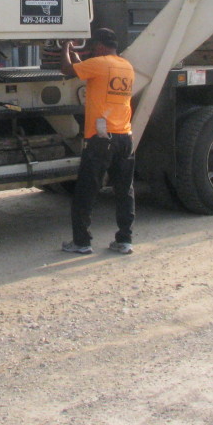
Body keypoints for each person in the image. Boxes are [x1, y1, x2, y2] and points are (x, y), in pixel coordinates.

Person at [59, 28, 136, 255]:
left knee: (86, 191)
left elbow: (67, 70)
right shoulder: (126, 66)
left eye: (93, 47)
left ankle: (82, 243)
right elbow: (81, 69)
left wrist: (65, 47)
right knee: (124, 190)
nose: (92, 51)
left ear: (101, 46)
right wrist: (75, 52)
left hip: (101, 139)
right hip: (125, 136)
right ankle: (124, 240)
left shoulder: (99, 64)